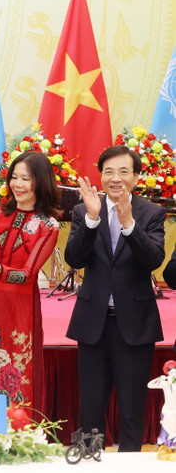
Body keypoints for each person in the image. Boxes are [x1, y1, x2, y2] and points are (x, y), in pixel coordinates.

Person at [65, 145, 166, 452]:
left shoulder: (151, 212)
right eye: (108, 171)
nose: (115, 178)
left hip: (134, 325)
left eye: (124, 171)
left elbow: (153, 260)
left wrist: (129, 225)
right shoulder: (85, 210)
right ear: (101, 175)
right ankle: (86, 462)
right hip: (93, 323)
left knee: (132, 409)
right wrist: (93, 220)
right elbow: (74, 258)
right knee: (91, 408)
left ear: (136, 176)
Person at [0, 151, 60, 408]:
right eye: (14, 178)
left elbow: (27, 276)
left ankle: (17, 434)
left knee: (16, 373)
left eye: (25, 179)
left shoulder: (48, 225)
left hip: (20, 307)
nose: (17, 184)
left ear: (40, 182)